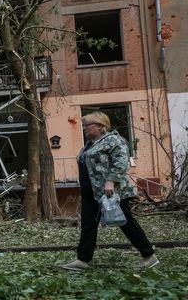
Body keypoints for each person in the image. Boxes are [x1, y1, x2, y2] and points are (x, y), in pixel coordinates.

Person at [62, 112, 158, 271]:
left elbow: (121, 162)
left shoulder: (113, 140)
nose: (84, 128)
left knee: (126, 223)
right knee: (88, 225)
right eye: (84, 125)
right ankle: (82, 260)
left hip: (111, 192)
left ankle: (149, 256)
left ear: (101, 126)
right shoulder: (90, 144)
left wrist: (110, 182)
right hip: (92, 193)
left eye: (88, 125)